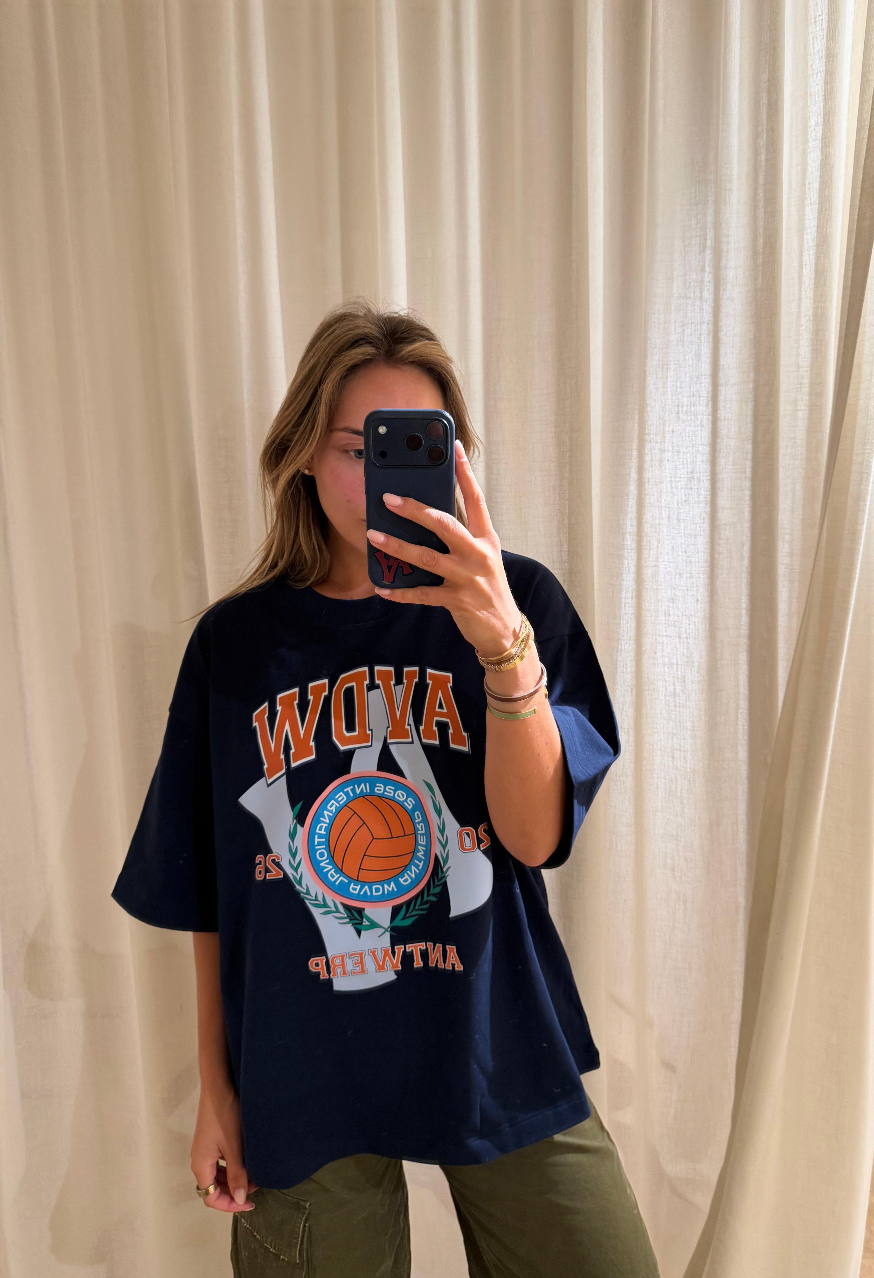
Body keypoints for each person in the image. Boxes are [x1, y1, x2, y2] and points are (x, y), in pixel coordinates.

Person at [111, 299, 660, 1277]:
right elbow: (213, 890)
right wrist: (216, 1089)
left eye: (414, 447)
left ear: (455, 461)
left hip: (494, 1034)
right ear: (300, 455)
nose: (383, 476)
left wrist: (502, 647)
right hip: (301, 1060)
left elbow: (534, 838)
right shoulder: (236, 644)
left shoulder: (519, 604)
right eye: (355, 447)